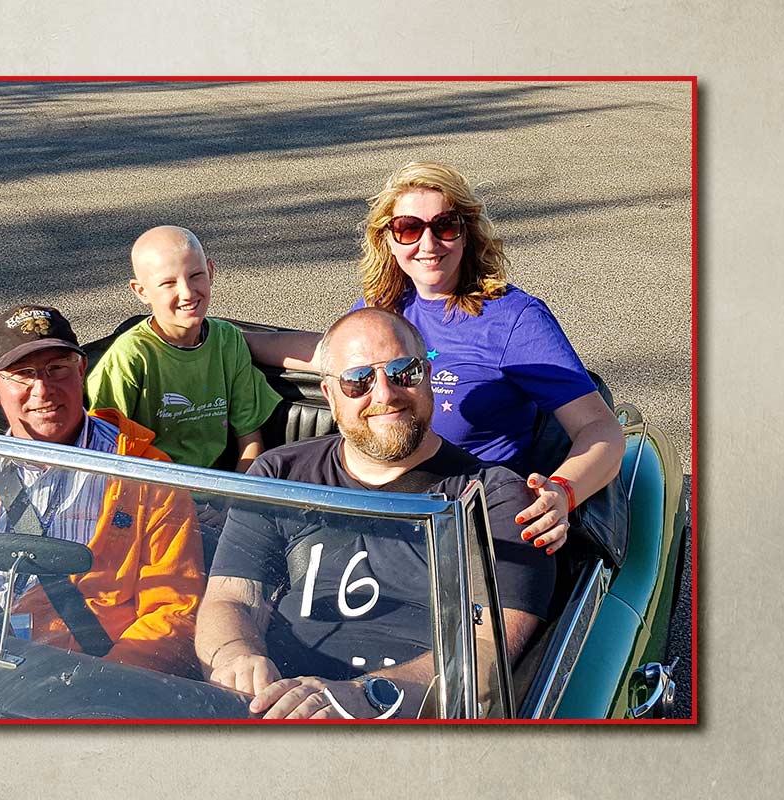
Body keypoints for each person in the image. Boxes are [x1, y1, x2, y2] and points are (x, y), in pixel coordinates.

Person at [243, 161, 625, 555]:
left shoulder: (514, 319)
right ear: (387, 240)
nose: (428, 245)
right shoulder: (385, 306)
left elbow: (601, 429)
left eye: (444, 226)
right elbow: (328, 352)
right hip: (380, 508)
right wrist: (230, 339)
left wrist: (562, 492)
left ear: (466, 233)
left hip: (468, 519)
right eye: (408, 229)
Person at [195, 308, 556, 718]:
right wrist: (236, 659)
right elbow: (232, 599)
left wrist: (368, 697)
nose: (384, 394)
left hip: (406, 728)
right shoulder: (280, 475)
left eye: (404, 372)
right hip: (271, 708)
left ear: (429, 380)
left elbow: (488, 650)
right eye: (358, 381)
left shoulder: (493, 498)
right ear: (330, 396)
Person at [0, 304, 206, 677]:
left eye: (56, 369)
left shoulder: (149, 478)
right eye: (23, 375)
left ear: (81, 370)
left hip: (87, 674)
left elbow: (174, 608)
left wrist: (107, 681)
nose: (43, 390)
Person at [85, 225, 282, 472]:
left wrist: (235, 504)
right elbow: (105, 452)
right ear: (141, 291)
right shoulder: (130, 357)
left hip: (220, 493)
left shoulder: (227, 340)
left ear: (211, 272)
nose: (187, 292)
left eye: (195, 275)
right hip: (153, 496)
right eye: (168, 283)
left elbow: (250, 439)